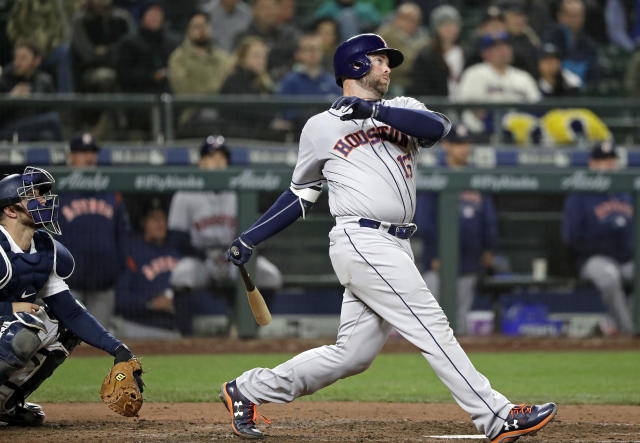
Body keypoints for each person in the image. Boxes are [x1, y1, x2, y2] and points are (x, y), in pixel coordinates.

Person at [218, 33, 557, 442]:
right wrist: (252, 237)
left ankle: (246, 389)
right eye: (380, 60)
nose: (387, 67)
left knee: (352, 356)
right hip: (361, 238)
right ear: (356, 66)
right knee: (432, 325)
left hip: (396, 243)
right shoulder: (320, 127)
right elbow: (301, 194)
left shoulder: (401, 108)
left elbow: (438, 126)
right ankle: (496, 415)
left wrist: (373, 109)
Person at [0, 166, 142, 426]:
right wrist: (8, 309)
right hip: (6, 320)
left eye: (42, 195)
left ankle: (4, 402)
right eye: (32, 196)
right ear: (10, 210)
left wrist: (119, 349)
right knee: (22, 330)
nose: (43, 200)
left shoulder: (45, 248)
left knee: (64, 327)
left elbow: (72, 312)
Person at [168, 136, 282, 336]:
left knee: (271, 276)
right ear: (201, 162)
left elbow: (257, 231)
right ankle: (185, 338)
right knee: (181, 274)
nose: (218, 162)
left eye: (222, 157)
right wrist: (204, 255)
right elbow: (176, 238)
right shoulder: (185, 192)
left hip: (235, 258)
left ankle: (249, 334)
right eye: (212, 157)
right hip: (201, 258)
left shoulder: (239, 187)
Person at [414, 124, 497, 336]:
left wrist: (488, 248)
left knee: (459, 321)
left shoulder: (477, 177)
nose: (464, 149)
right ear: (447, 147)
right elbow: (424, 221)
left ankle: (456, 366)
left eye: (466, 144)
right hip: (439, 261)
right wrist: (434, 253)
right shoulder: (435, 175)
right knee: (432, 318)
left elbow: (488, 219)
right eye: (459, 144)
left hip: (470, 260)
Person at [58, 133, 132, 329]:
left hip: (104, 284)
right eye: (83, 152)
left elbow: (123, 235)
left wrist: (121, 272)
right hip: (68, 285)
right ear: (71, 157)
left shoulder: (111, 189)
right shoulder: (58, 190)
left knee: (99, 342)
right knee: (64, 342)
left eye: (92, 152)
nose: (89, 157)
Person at [562, 141, 634, 335]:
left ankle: (616, 323)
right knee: (610, 277)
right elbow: (570, 237)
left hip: (626, 259)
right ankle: (629, 333)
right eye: (603, 160)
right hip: (594, 259)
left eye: (612, 160)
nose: (608, 165)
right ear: (592, 164)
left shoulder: (626, 193)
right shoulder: (579, 195)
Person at [114, 197, 181, 339]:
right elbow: (120, 299)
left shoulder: (175, 252)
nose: (160, 223)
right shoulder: (132, 252)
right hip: (139, 325)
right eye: (154, 219)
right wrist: (150, 304)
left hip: (173, 326)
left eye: (163, 219)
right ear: (143, 222)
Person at [457, 31, 540, 135]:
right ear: (484, 53)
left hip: (521, 135)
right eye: (497, 48)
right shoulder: (474, 73)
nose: (504, 51)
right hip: (481, 134)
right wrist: (497, 123)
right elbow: (473, 106)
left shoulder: (524, 77)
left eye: (506, 46)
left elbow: (536, 106)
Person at [168, 10, 231, 128]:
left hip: (222, 113)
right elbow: (183, 91)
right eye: (197, 27)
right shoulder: (178, 58)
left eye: (205, 25)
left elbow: (230, 87)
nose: (202, 30)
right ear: (188, 31)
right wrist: (212, 92)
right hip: (192, 115)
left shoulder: (223, 57)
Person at [276, 33, 342, 132]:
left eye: (316, 49)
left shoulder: (333, 82)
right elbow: (283, 114)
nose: (313, 53)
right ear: (299, 54)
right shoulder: (290, 81)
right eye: (308, 49)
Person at [0, 39, 63, 142]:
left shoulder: (44, 81)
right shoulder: (4, 80)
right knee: (53, 119)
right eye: (16, 57)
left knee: (47, 136)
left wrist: (33, 97)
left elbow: (48, 110)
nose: (17, 62)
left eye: (23, 58)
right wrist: (10, 98)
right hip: (8, 128)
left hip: (34, 128)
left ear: (37, 60)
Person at [7, 0, 77, 92]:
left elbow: (63, 29)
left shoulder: (60, 4)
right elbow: (12, 27)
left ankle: (65, 102)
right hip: (27, 50)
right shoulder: (24, 3)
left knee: (65, 52)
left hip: (50, 51)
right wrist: (23, 45)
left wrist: (52, 44)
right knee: (18, 62)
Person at [116, 1, 180, 94]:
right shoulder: (129, 43)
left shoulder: (172, 41)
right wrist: (152, 75)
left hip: (168, 90)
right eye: (151, 14)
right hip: (139, 92)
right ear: (142, 17)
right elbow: (124, 74)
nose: (155, 18)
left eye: (158, 14)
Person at [70, 0, 134, 93]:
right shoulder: (80, 20)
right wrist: (113, 52)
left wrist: (106, 50)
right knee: (106, 77)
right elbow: (87, 54)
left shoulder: (123, 17)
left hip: (123, 65)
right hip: (92, 68)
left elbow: (132, 47)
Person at [233, 0, 300, 82]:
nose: (271, 12)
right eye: (266, 8)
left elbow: (297, 59)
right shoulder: (243, 37)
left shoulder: (288, 34)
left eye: (273, 7)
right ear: (254, 10)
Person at [407, 4, 464, 98]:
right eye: (444, 25)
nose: (449, 29)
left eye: (453, 24)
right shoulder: (426, 56)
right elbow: (419, 88)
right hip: (436, 107)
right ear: (436, 28)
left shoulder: (465, 54)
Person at [543, 0, 599, 87]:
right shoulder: (549, 38)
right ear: (560, 16)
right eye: (570, 15)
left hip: (582, 94)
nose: (574, 20)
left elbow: (593, 74)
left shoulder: (589, 44)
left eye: (578, 16)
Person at [376, 2, 429, 93]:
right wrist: (417, 50)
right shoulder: (386, 35)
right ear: (398, 19)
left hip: (416, 81)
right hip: (392, 82)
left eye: (417, 21)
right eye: (410, 19)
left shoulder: (421, 36)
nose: (414, 24)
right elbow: (402, 64)